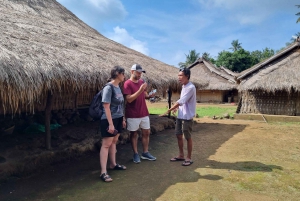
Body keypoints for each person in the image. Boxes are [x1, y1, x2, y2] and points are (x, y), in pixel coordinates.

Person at [161, 68, 196, 166]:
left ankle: (188, 158)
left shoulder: (190, 87)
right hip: (181, 115)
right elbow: (182, 101)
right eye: (178, 75)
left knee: (187, 137)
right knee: (178, 135)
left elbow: (181, 101)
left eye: (181, 75)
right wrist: (177, 109)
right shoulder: (184, 86)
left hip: (187, 117)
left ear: (187, 76)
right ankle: (181, 155)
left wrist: (169, 110)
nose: (179, 78)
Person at [123, 64, 156, 163]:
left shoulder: (142, 82)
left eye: (141, 73)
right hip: (133, 113)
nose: (140, 75)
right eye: (138, 72)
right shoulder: (127, 84)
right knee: (134, 134)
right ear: (132, 71)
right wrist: (140, 90)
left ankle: (145, 152)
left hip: (144, 112)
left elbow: (144, 95)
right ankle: (136, 154)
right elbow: (129, 99)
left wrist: (149, 95)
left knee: (146, 132)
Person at [99, 66, 127, 182]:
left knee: (114, 141)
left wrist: (123, 118)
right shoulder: (108, 88)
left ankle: (113, 164)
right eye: (123, 74)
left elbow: (120, 104)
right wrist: (110, 124)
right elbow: (106, 106)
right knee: (106, 144)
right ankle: (103, 172)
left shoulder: (118, 87)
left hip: (118, 118)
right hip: (109, 119)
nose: (124, 76)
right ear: (118, 74)